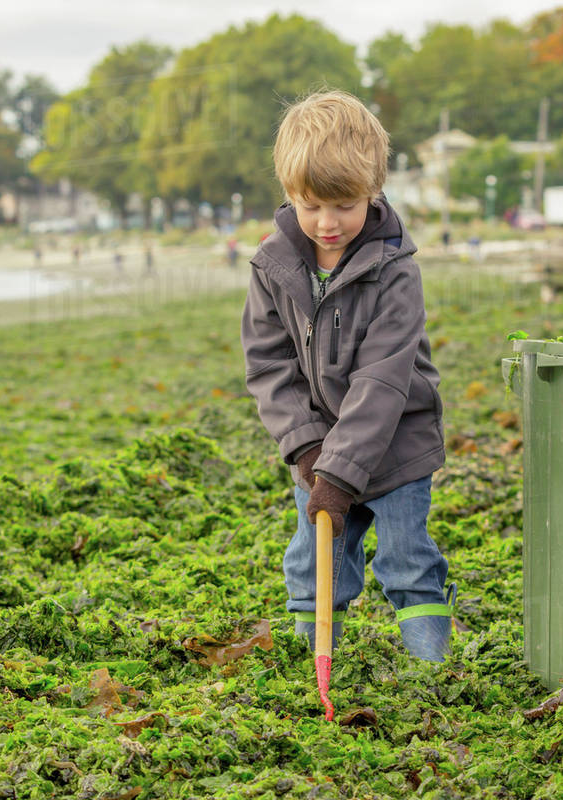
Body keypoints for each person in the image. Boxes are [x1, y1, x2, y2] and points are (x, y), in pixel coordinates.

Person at [241, 90, 453, 662]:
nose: (327, 223)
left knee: (408, 561)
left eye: (344, 205)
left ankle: (429, 670)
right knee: (313, 563)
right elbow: (268, 366)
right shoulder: (272, 267)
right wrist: (306, 448)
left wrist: (342, 470)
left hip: (397, 446)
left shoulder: (395, 271)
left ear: (373, 191)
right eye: (311, 206)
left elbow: (382, 382)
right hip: (319, 450)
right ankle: (315, 662)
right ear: (289, 194)